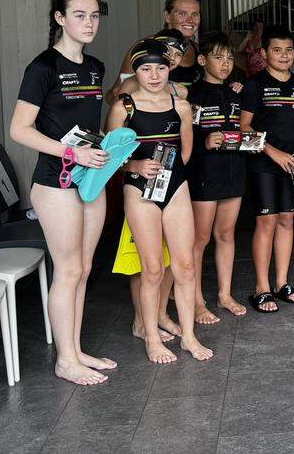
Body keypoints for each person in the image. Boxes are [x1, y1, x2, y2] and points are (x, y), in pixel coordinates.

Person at [9, 0, 113, 385]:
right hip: (55, 182)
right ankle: (65, 359)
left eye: (94, 16)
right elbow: (20, 130)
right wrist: (71, 154)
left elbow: (86, 125)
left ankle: (75, 348)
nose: (89, 23)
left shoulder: (95, 67)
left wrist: (104, 146)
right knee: (67, 269)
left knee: (84, 268)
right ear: (60, 18)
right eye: (80, 15)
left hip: (91, 176)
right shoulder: (42, 68)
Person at [107, 39, 213, 363]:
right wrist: (136, 166)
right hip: (139, 190)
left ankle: (188, 337)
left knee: (184, 265)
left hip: (175, 186)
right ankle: (152, 338)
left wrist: (170, 173)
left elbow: (186, 150)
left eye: (161, 68)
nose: (154, 75)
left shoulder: (180, 104)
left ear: (170, 69)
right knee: (152, 269)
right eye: (146, 68)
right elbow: (109, 157)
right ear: (135, 71)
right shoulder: (123, 107)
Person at [240, 28, 294, 311]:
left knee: (287, 221)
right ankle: (261, 287)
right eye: (277, 50)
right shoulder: (254, 85)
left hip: (293, 165)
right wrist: (272, 151)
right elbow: (244, 127)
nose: (284, 55)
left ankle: (282, 283)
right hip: (263, 164)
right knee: (266, 222)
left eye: (289, 50)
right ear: (264, 53)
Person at [186, 32, 247, 323]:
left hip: (233, 169)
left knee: (225, 234)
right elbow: (182, 138)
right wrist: (204, 142)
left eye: (229, 58)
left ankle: (224, 294)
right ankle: (197, 301)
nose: (225, 63)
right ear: (202, 60)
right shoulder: (190, 95)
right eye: (218, 57)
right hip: (203, 174)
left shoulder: (236, 93)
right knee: (199, 240)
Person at [115, 0, 203, 89]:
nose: (190, 20)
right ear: (167, 16)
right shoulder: (146, 46)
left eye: (195, 15)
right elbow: (114, 94)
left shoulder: (199, 49)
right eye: (182, 14)